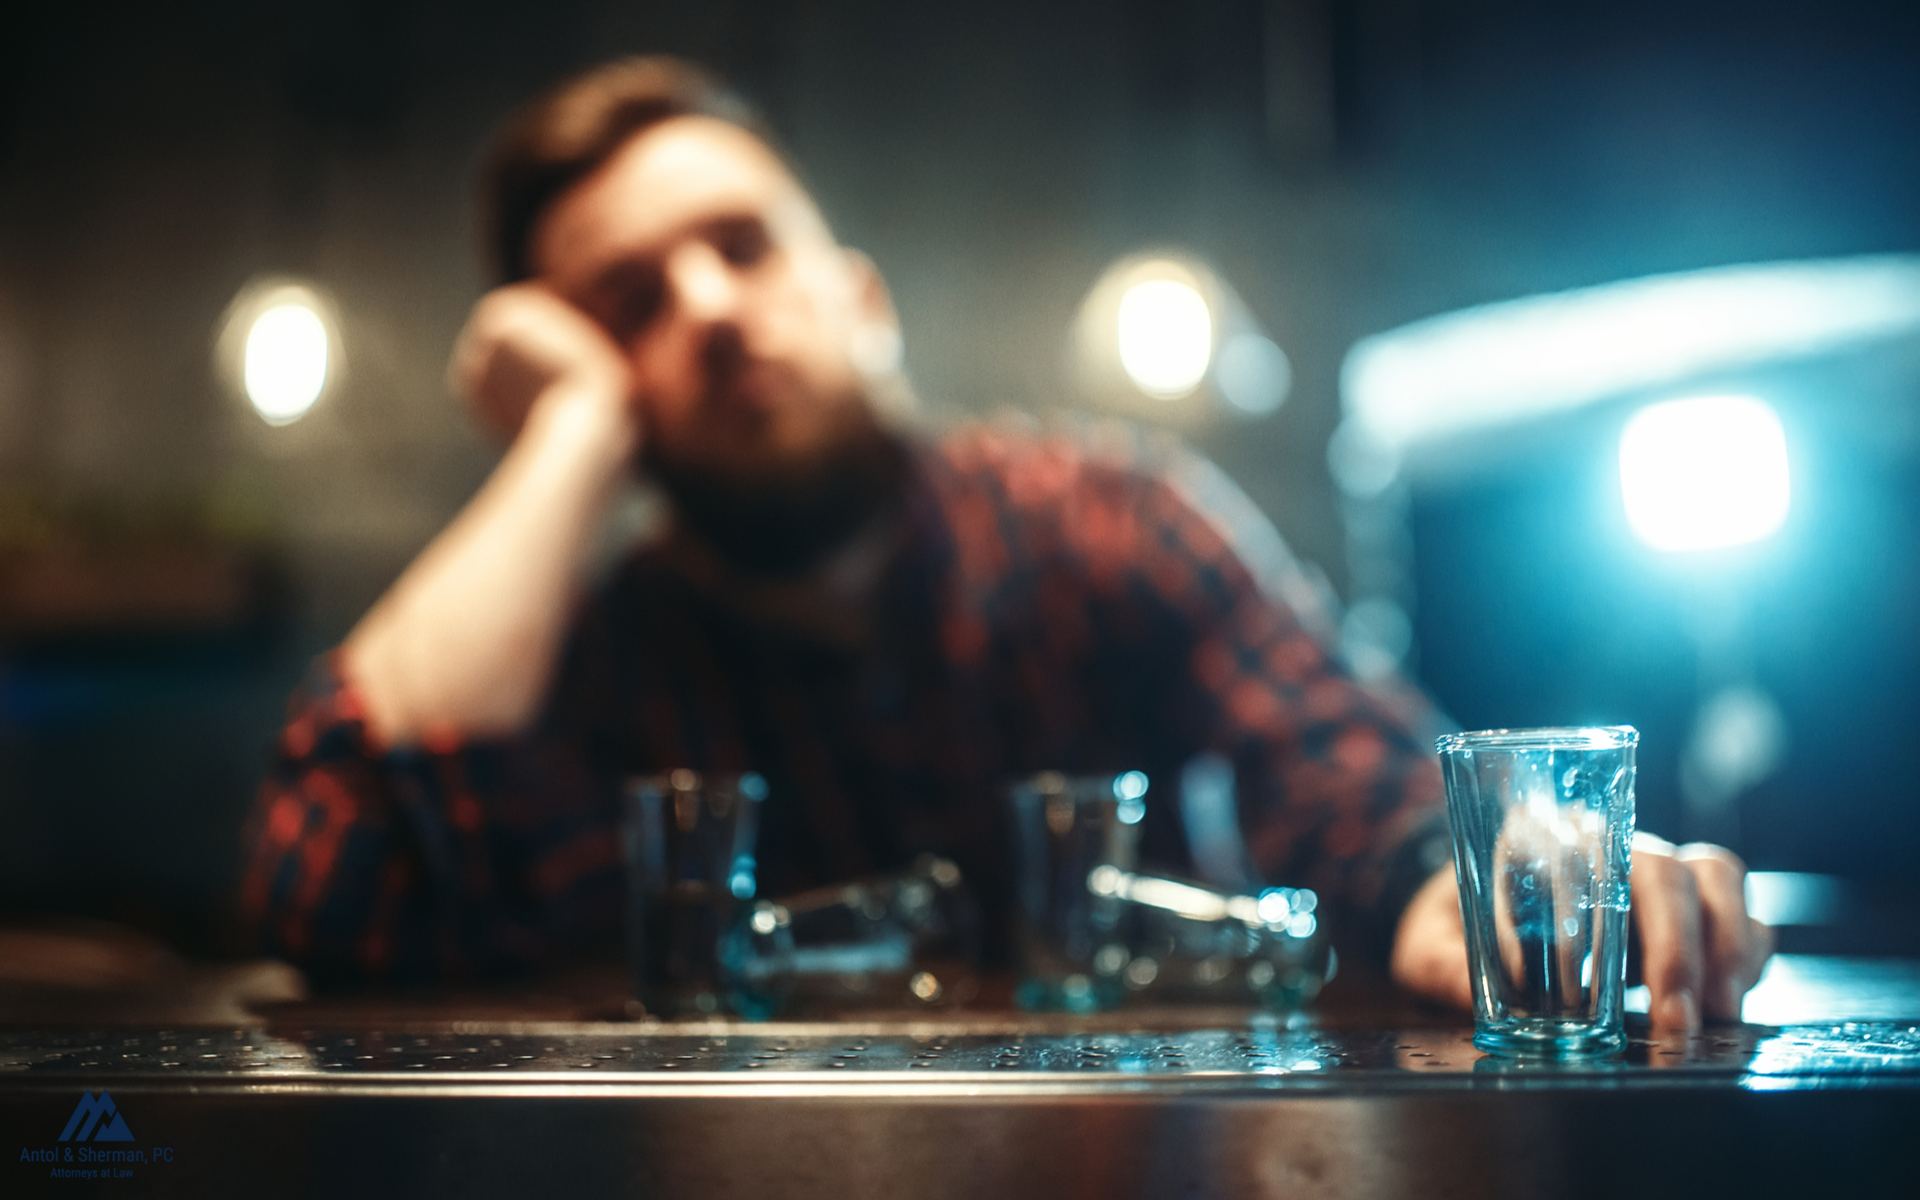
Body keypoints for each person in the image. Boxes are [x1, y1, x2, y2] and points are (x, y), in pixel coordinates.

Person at [241, 56, 1771, 1030]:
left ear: (861, 299)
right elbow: (331, 888)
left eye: (743, 246)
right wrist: (565, 440)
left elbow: (1340, 762)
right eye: (629, 304)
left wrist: (1475, 883)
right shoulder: (593, 656)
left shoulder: (1107, 517)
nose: (706, 306)